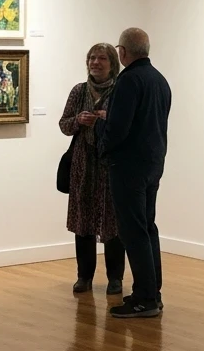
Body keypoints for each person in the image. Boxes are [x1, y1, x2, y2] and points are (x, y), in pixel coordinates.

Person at [99, 28, 171, 318]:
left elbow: (119, 129)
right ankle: (153, 292)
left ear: (123, 52)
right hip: (153, 163)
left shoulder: (128, 80)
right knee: (148, 227)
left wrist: (103, 133)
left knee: (133, 231)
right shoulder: (159, 80)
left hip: (128, 166)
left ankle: (144, 298)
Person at [59, 44, 126, 296]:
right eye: (91, 58)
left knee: (113, 222)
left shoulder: (121, 90)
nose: (95, 62)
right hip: (83, 165)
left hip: (110, 165)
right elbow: (64, 124)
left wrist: (108, 118)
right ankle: (84, 276)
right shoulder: (79, 91)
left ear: (112, 64)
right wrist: (78, 120)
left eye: (101, 58)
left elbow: (128, 124)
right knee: (83, 221)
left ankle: (115, 279)